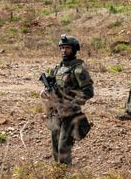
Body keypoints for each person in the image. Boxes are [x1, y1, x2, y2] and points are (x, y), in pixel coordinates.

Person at [40, 35, 94, 165]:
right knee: (55, 148)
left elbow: (88, 92)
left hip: (71, 115)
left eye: (67, 48)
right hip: (56, 112)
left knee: (63, 147)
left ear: (74, 49)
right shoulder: (56, 69)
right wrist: (45, 92)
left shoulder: (78, 69)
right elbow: (52, 87)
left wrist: (71, 104)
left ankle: (67, 176)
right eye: (62, 48)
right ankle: (59, 175)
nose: (64, 50)